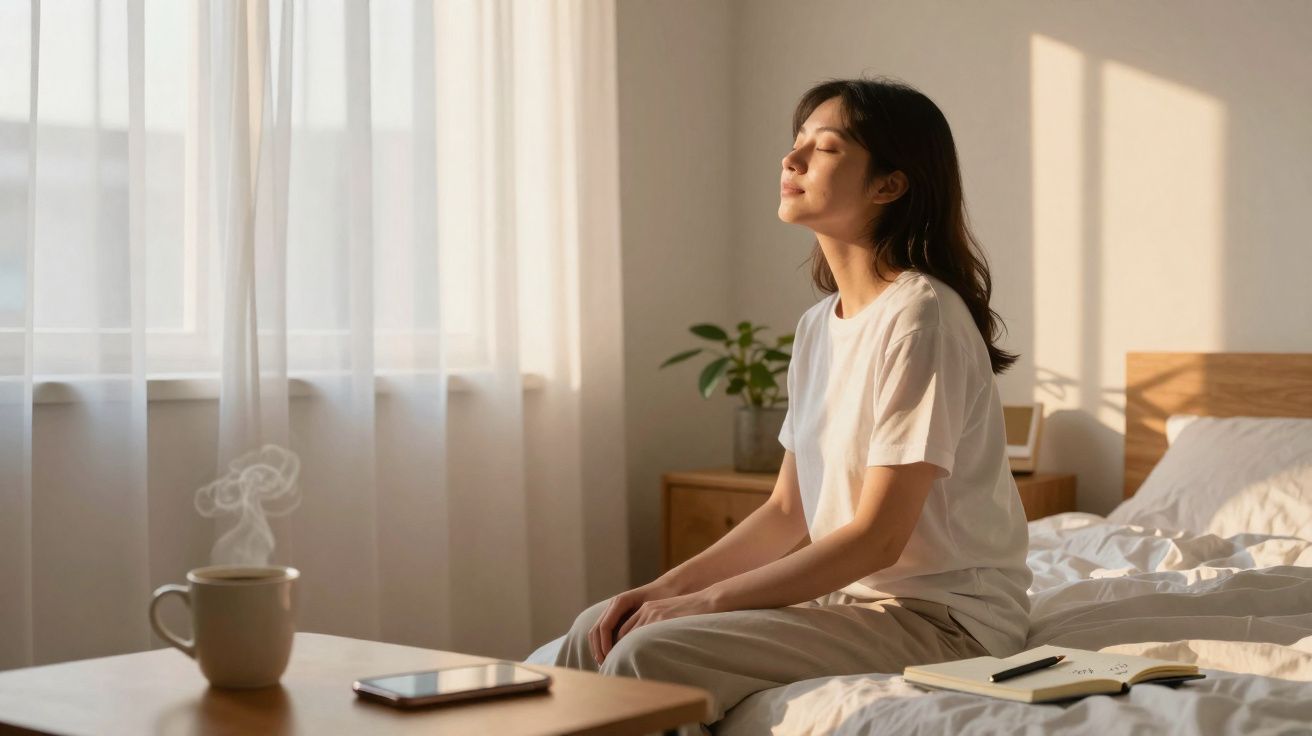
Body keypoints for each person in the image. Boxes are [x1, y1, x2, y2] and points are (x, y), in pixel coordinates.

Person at [553, 77, 1032, 733]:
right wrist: (663, 590)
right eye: (797, 141)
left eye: (824, 148)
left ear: (889, 184)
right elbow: (787, 511)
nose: (792, 159)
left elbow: (878, 538)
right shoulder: (817, 327)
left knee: (647, 654)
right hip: (854, 605)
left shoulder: (923, 318)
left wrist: (704, 604)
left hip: (948, 621)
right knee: (595, 630)